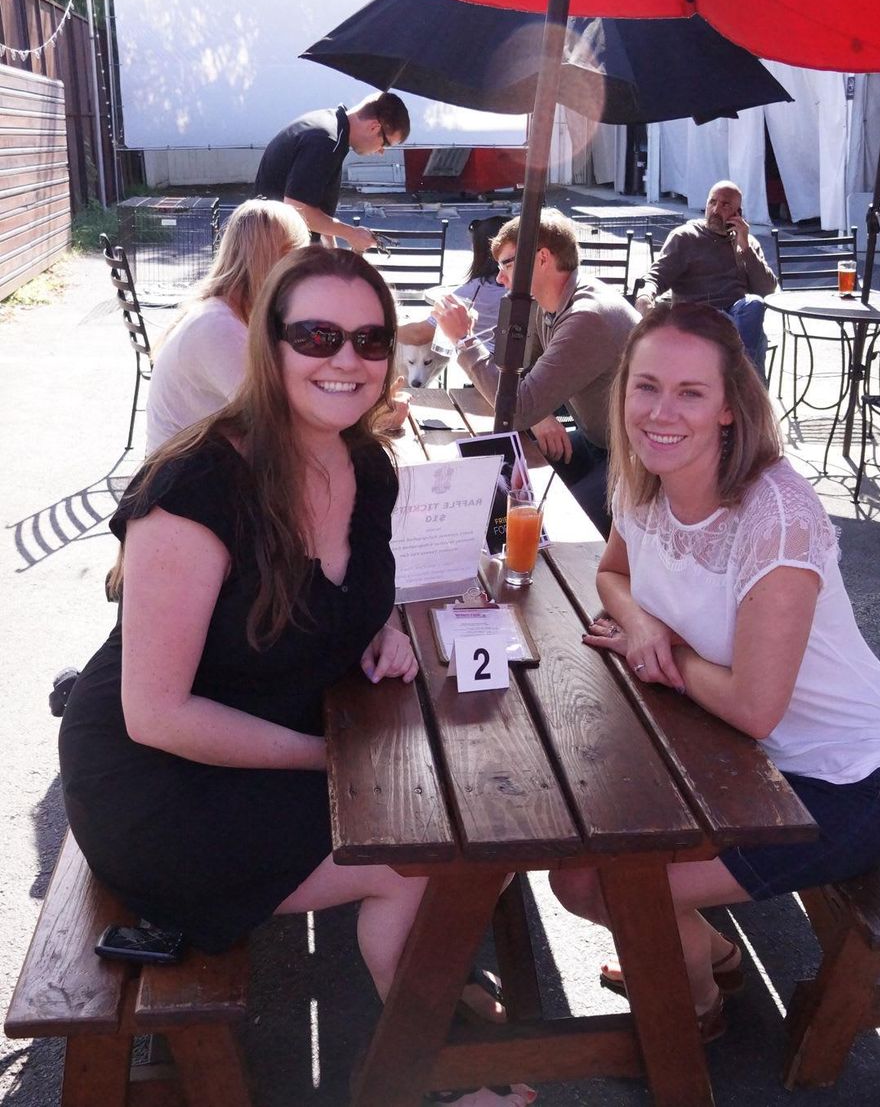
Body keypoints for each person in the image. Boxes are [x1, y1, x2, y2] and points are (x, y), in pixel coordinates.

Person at [61, 245, 530, 1107]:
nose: (345, 359)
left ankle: (422, 991)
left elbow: (359, 588)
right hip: (162, 785)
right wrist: (328, 761)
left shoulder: (368, 468)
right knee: (423, 850)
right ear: (268, 346)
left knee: (476, 819)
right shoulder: (195, 487)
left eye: (369, 338)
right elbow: (156, 713)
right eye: (316, 335)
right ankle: (419, 1071)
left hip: (271, 728)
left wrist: (384, 627)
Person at [549, 301, 880, 1042]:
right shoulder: (645, 474)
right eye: (645, 386)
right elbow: (613, 573)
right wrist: (644, 623)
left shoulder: (774, 515)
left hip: (840, 780)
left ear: (727, 408)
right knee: (578, 872)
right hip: (737, 755)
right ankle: (709, 951)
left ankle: (695, 1009)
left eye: (690, 392)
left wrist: (667, 658)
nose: (660, 411)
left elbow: (755, 706)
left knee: (611, 888)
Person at [432, 209, 639, 537]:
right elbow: (513, 377)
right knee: (493, 482)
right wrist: (539, 415)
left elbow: (516, 407)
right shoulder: (547, 302)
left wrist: (464, 340)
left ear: (542, 258)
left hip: (635, 463)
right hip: (597, 444)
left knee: (544, 528)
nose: (500, 277)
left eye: (506, 264)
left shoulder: (586, 317)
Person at [145, 199, 308, 452]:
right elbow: (275, 423)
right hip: (183, 481)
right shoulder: (218, 327)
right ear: (277, 261)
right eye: (299, 260)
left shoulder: (227, 313)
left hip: (196, 467)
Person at [634, 180, 776, 374]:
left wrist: (745, 248)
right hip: (700, 316)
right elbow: (656, 276)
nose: (716, 209)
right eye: (712, 202)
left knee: (754, 304)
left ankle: (740, 375)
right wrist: (645, 296)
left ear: (738, 214)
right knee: (747, 335)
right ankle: (746, 379)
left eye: (725, 205)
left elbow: (766, 288)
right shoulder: (686, 237)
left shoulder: (746, 242)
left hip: (738, 314)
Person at [253, 91, 410, 252]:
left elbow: (315, 207)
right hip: (271, 252)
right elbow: (296, 210)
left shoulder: (332, 127)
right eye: (385, 143)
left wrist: (333, 252)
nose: (381, 151)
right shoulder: (326, 141)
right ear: (374, 127)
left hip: (275, 245)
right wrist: (352, 234)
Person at [399, 215, 509, 357]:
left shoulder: (475, 291)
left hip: (488, 366)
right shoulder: (528, 284)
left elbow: (420, 334)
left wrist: (385, 331)